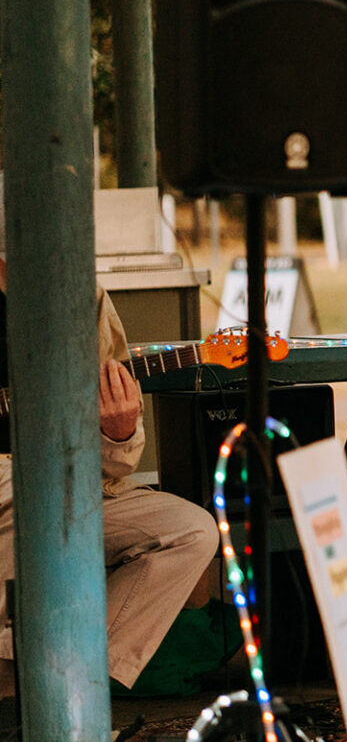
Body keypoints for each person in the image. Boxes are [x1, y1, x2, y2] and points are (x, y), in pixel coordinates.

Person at [0, 260, 220, 692]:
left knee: (190, 531)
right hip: (27, 487)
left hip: (57, 480)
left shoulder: (76, 293)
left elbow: (114, 465)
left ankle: (71, 687)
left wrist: (117, 431)